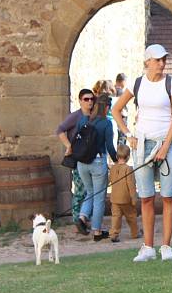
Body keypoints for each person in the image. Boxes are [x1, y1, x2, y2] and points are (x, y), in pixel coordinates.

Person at [112, 44, 172, 262]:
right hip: (142, 144)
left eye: (164, 59)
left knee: (168, 196)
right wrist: (128, 134)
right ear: (147, 62)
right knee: (146, 197)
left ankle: (166, 247)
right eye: (158, 60)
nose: (162, 63)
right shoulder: (137, 83)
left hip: (166, 143)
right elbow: (116, 110)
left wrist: (164, 146)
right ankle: (148, 247)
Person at [73, 93, 117, 241]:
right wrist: (118, 160)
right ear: (107, 107)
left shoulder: (83, 120)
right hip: (98, 161)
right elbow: (110, 147)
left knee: (89, 192)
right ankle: (97, 231)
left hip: (82, 162)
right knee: (98, 197)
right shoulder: (106, 123)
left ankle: (82, 217)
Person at [55, 88, 94, 228]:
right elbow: (60, 130)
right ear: (80, 101)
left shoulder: (94, 116)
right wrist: (68, 146)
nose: (89, 102)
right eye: (86, 99)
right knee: (80, 189)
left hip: (92, 158)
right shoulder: (75, 116)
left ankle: (87, 217)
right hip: (78, 158)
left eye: (91, 99)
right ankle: (77, 219)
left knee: (92, 189)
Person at [108, 143, 139, 242]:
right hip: (126, 199)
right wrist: (134, 198)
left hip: (115, 198)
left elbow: (110, 180)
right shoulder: (128, 169)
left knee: (115, 217)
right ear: (128, 157)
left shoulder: (113, 168)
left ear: (117, 156)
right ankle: (135, 233)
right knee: (131, 216)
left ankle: (114, 233)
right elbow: (131, 185)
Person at [114, 73, 129, 145]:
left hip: (114, 120)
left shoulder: (111, 90)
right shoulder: (119, 91)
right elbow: (122, 109)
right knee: (121, 141)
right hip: (121, 119)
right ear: (122, 81)